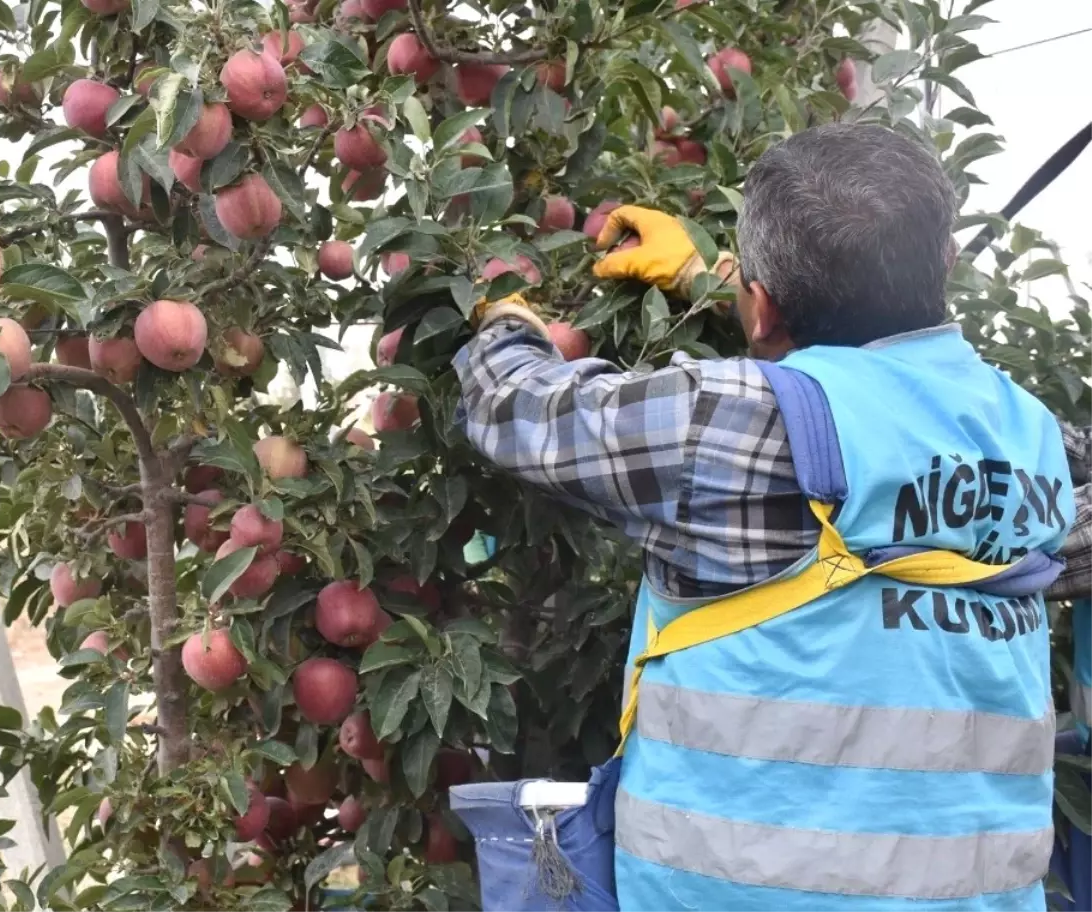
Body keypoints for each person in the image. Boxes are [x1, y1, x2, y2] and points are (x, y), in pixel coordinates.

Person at [453, 122, 1092, 911]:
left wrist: (506, 321)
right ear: (948, 264)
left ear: (761, 307)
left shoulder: (720, 424)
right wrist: (711, 277)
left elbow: (516, 408)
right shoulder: (1031, 435)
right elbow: (868, 401)